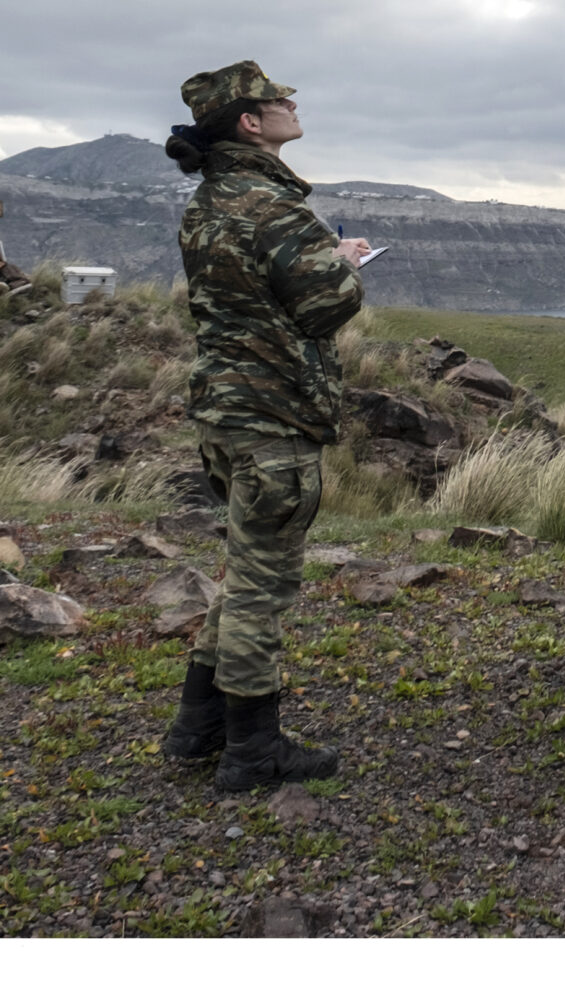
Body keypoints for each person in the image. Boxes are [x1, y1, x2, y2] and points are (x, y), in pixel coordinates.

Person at [156, 62, 371, 792]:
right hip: (273, 415)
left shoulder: (211, 202)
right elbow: (324, 307)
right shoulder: (273, 208)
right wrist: (344, 265)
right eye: (279, 99)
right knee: (262, 587)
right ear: (250, 122)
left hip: (223, 411)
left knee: (244, 568)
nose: (291, 104)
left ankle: (198, 726)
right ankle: (252, 751)